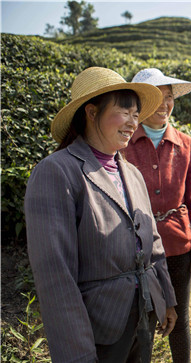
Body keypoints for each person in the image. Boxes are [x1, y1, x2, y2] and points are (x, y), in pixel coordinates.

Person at [24, 66, 178, 363]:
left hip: (142, 314)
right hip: (98, 324)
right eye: (124, 112)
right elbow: (56, 276)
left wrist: (167, 300)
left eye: (136, 115)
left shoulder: (130, 172)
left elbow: (153, 243)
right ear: (92, 112)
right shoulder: (57, 171)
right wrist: (76, 353)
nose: (133, 123)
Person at [123, 68, 191, 363]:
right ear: (140, 103)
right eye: (155, 98)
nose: (164, 104)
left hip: (177, 244)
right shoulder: (122, 144)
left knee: (180, 318)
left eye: (169, 97)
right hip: (137, 246)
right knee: (143, 320)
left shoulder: (185, 144)